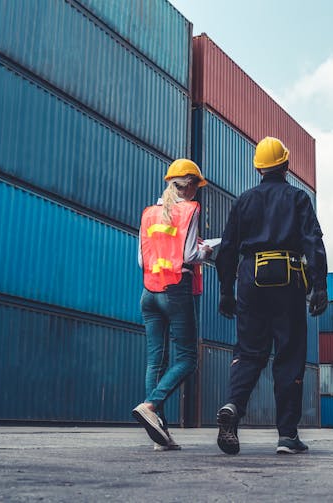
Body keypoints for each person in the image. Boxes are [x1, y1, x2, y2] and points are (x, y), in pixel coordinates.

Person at [215, 137, 328, 455]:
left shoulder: (244, 201)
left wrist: (226, 290)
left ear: (258, 168)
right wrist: (320, 285)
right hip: (287, 278)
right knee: (289, 354)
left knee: (249, 352)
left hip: (250, 278)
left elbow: (227, 249)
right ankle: (287, 436)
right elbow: (312, 242)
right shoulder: (298, 198)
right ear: (286, 164)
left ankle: (234, 406)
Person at [133, 158, 213, 451]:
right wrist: (206, 250)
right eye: (197, 186)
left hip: (148, 292)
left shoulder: (149, 214)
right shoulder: (189, 210)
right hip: (176, 291)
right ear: (190, 185)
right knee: (188, 358)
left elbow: (142, 260)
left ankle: (160, 436)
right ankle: (151, 405)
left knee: (156, 360)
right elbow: (190, 255)